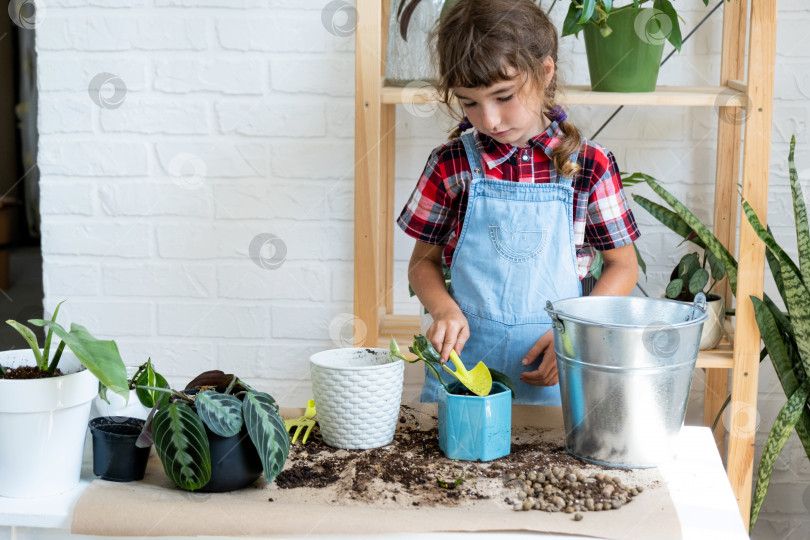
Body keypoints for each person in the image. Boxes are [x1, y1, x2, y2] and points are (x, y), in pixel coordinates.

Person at [396, 0, 640, 405]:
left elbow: (623, 265)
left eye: (503, 96)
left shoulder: (589, 166)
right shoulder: (451, 163)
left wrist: (573, 332)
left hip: (556, 369)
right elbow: (422, 263)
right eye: (469, 102)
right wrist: (443, 311)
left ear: (545, 72)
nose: (489, 120)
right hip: (463, 374)